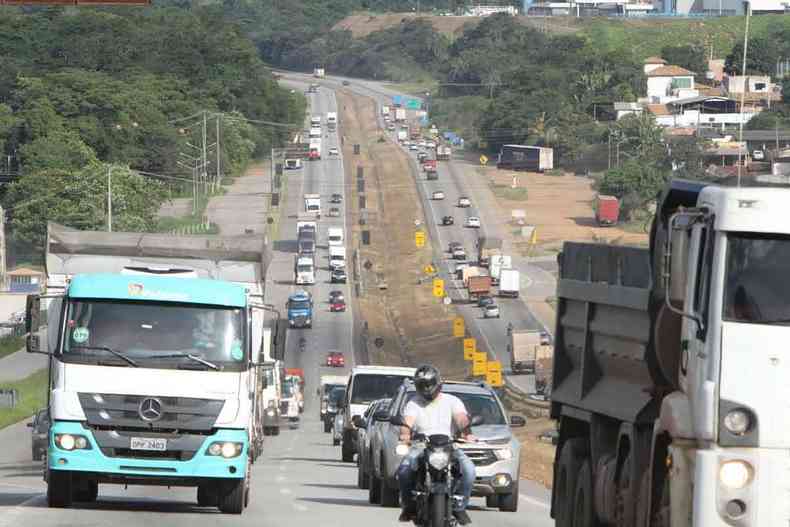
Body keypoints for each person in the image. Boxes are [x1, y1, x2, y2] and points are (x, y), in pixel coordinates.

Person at [397, 365, 476, 525]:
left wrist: (467, 431)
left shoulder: (452, 401)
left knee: (469, 470)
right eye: (422, 385)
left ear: (438, 382)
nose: (426, 388)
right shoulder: (413, 403)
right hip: (421, 446)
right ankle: (409, 506)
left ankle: (460, 506)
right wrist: (405, 435)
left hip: (449, 446)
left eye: (429, 384)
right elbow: (407, 422)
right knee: (404, 471)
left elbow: (461, 418)